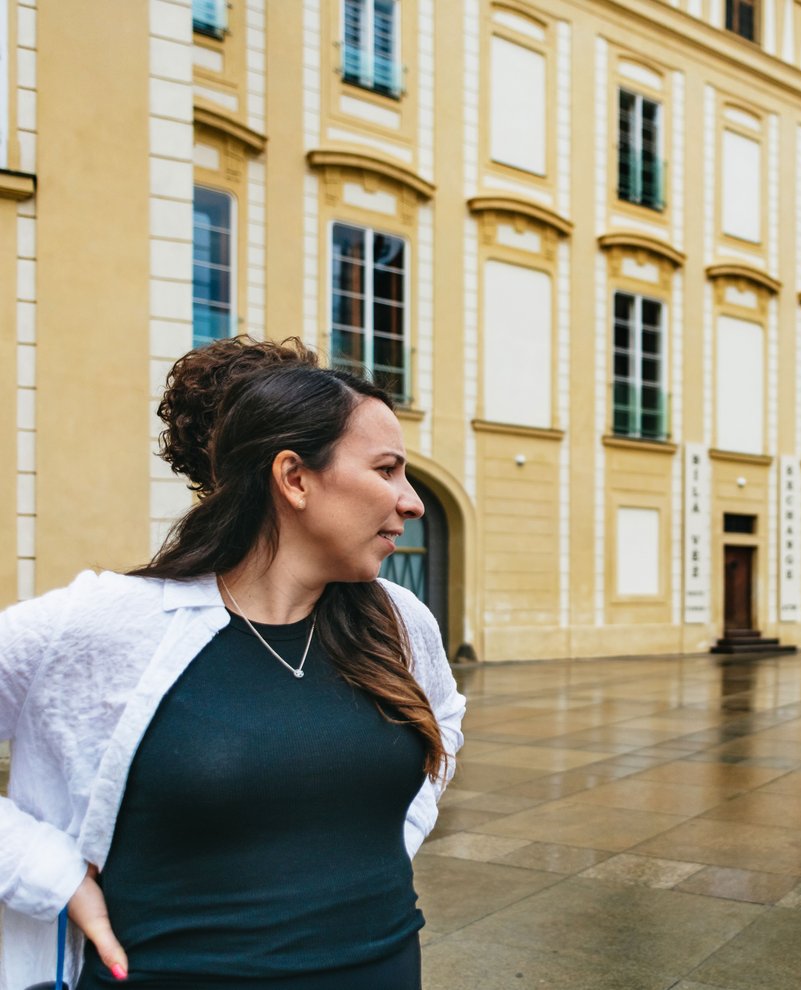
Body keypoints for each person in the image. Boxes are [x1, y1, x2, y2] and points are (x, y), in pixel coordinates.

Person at [0, 337, 466, 989]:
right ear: (294, 478)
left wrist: (397, 837)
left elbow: (443, 716)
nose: (412, 501)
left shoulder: (396, 617)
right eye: (387, 470)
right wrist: (51, 874)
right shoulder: (108, 622)